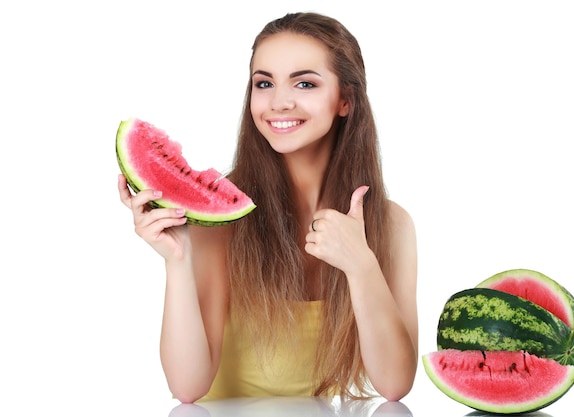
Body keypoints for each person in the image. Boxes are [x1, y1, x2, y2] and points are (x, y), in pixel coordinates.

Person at [118, 11, 418, 403]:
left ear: (345, 99)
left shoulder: (392, 225)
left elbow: (394, 385)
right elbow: (186, 389)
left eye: (305, 83)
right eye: (264, 83)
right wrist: (177, 261)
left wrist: (361, 265)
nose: (279, 102)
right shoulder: (222, 221)